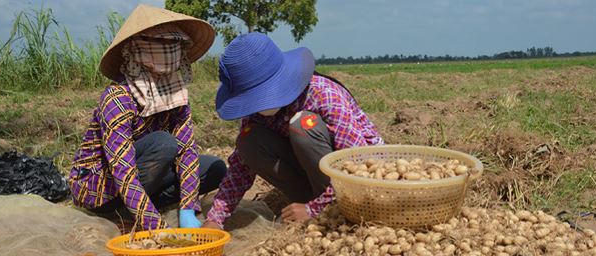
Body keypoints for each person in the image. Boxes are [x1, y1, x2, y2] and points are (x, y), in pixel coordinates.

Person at [203, 32, 384, 229]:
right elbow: (240, 168)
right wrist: (215, 219)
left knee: (303, 125)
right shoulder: (256, 114)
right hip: (313, 184)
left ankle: (332, 207)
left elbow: (359, 165)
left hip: (363, 185)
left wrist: (314, 209)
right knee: (248, 139)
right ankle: (312, 205)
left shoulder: (324, 95)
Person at [68, 4, 225, 230]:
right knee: (164, 143)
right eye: (160, 45)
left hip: (149, 172)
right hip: (103, 188)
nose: (168, 53)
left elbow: (187, 148)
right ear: (137, 53)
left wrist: (188, 209)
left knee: (214, 168)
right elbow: (123, 170)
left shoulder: (175, 96)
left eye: (173, 45)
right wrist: (155, 226)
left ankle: (151, 205)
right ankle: (127, 212)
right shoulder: (117, 99)